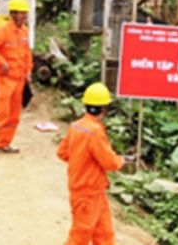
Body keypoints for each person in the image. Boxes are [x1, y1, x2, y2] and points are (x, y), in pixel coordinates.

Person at [57, 83, 126, 245]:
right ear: (104, 109)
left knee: (104, 233)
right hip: (87, 192)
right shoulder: (95, 132)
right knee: (80, 235)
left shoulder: (76, 126)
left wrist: (81, 163)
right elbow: (109, 162)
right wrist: (121, 160)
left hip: (94, 190)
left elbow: (62, 152)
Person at [0, 0, 33, 157]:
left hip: (19, 79)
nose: (24, 16)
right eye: (21, 13)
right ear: (13, 14)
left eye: (25, 13)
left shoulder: (24, 31)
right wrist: (1, 62)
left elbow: (26, 54)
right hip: (6, 79)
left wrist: (28, 72)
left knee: (14, 114)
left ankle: (5, 142)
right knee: (2, 113)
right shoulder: (3, 31)